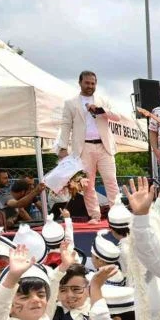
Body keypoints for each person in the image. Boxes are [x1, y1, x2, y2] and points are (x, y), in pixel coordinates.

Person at [58, 70, 121, 224]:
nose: (90, 86)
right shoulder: (70, 103)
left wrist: (99, 109)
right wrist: (62, 147)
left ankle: (116, 214)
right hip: (84, 147)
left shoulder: (102, 100)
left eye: (92, 83)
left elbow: (117, 116)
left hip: (104, 146)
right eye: (87, 83)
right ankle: (95, 216)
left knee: (111, 181)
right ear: (80, 83)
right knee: (87, 184)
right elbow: (66, 125)